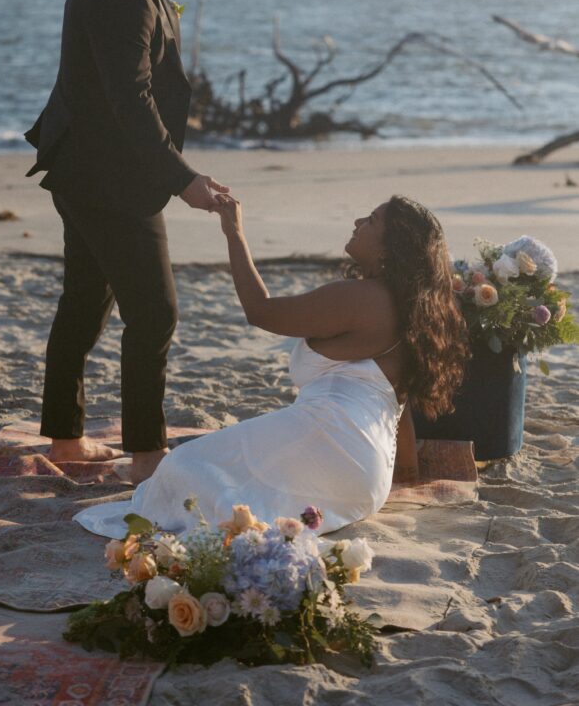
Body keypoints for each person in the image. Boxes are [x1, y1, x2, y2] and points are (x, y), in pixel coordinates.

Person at [75, 195, 469, 537]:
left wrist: (234, 232)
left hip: (331, 445)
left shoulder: (361, 298)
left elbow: (260, 311)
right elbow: (398, 407)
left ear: (391, 249)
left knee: (181, 468)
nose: (357, 222)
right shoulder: (411, 309)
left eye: (371, 221)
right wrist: (405, 470)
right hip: (367, 483)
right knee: (208, 474)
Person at [25, 0, 229, 483]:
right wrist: (183, 179)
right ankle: (147, 458)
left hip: (85, 169)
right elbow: (130, 100)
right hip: (110, 178)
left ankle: (65, 439)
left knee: (85, 301)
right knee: (155, 313)